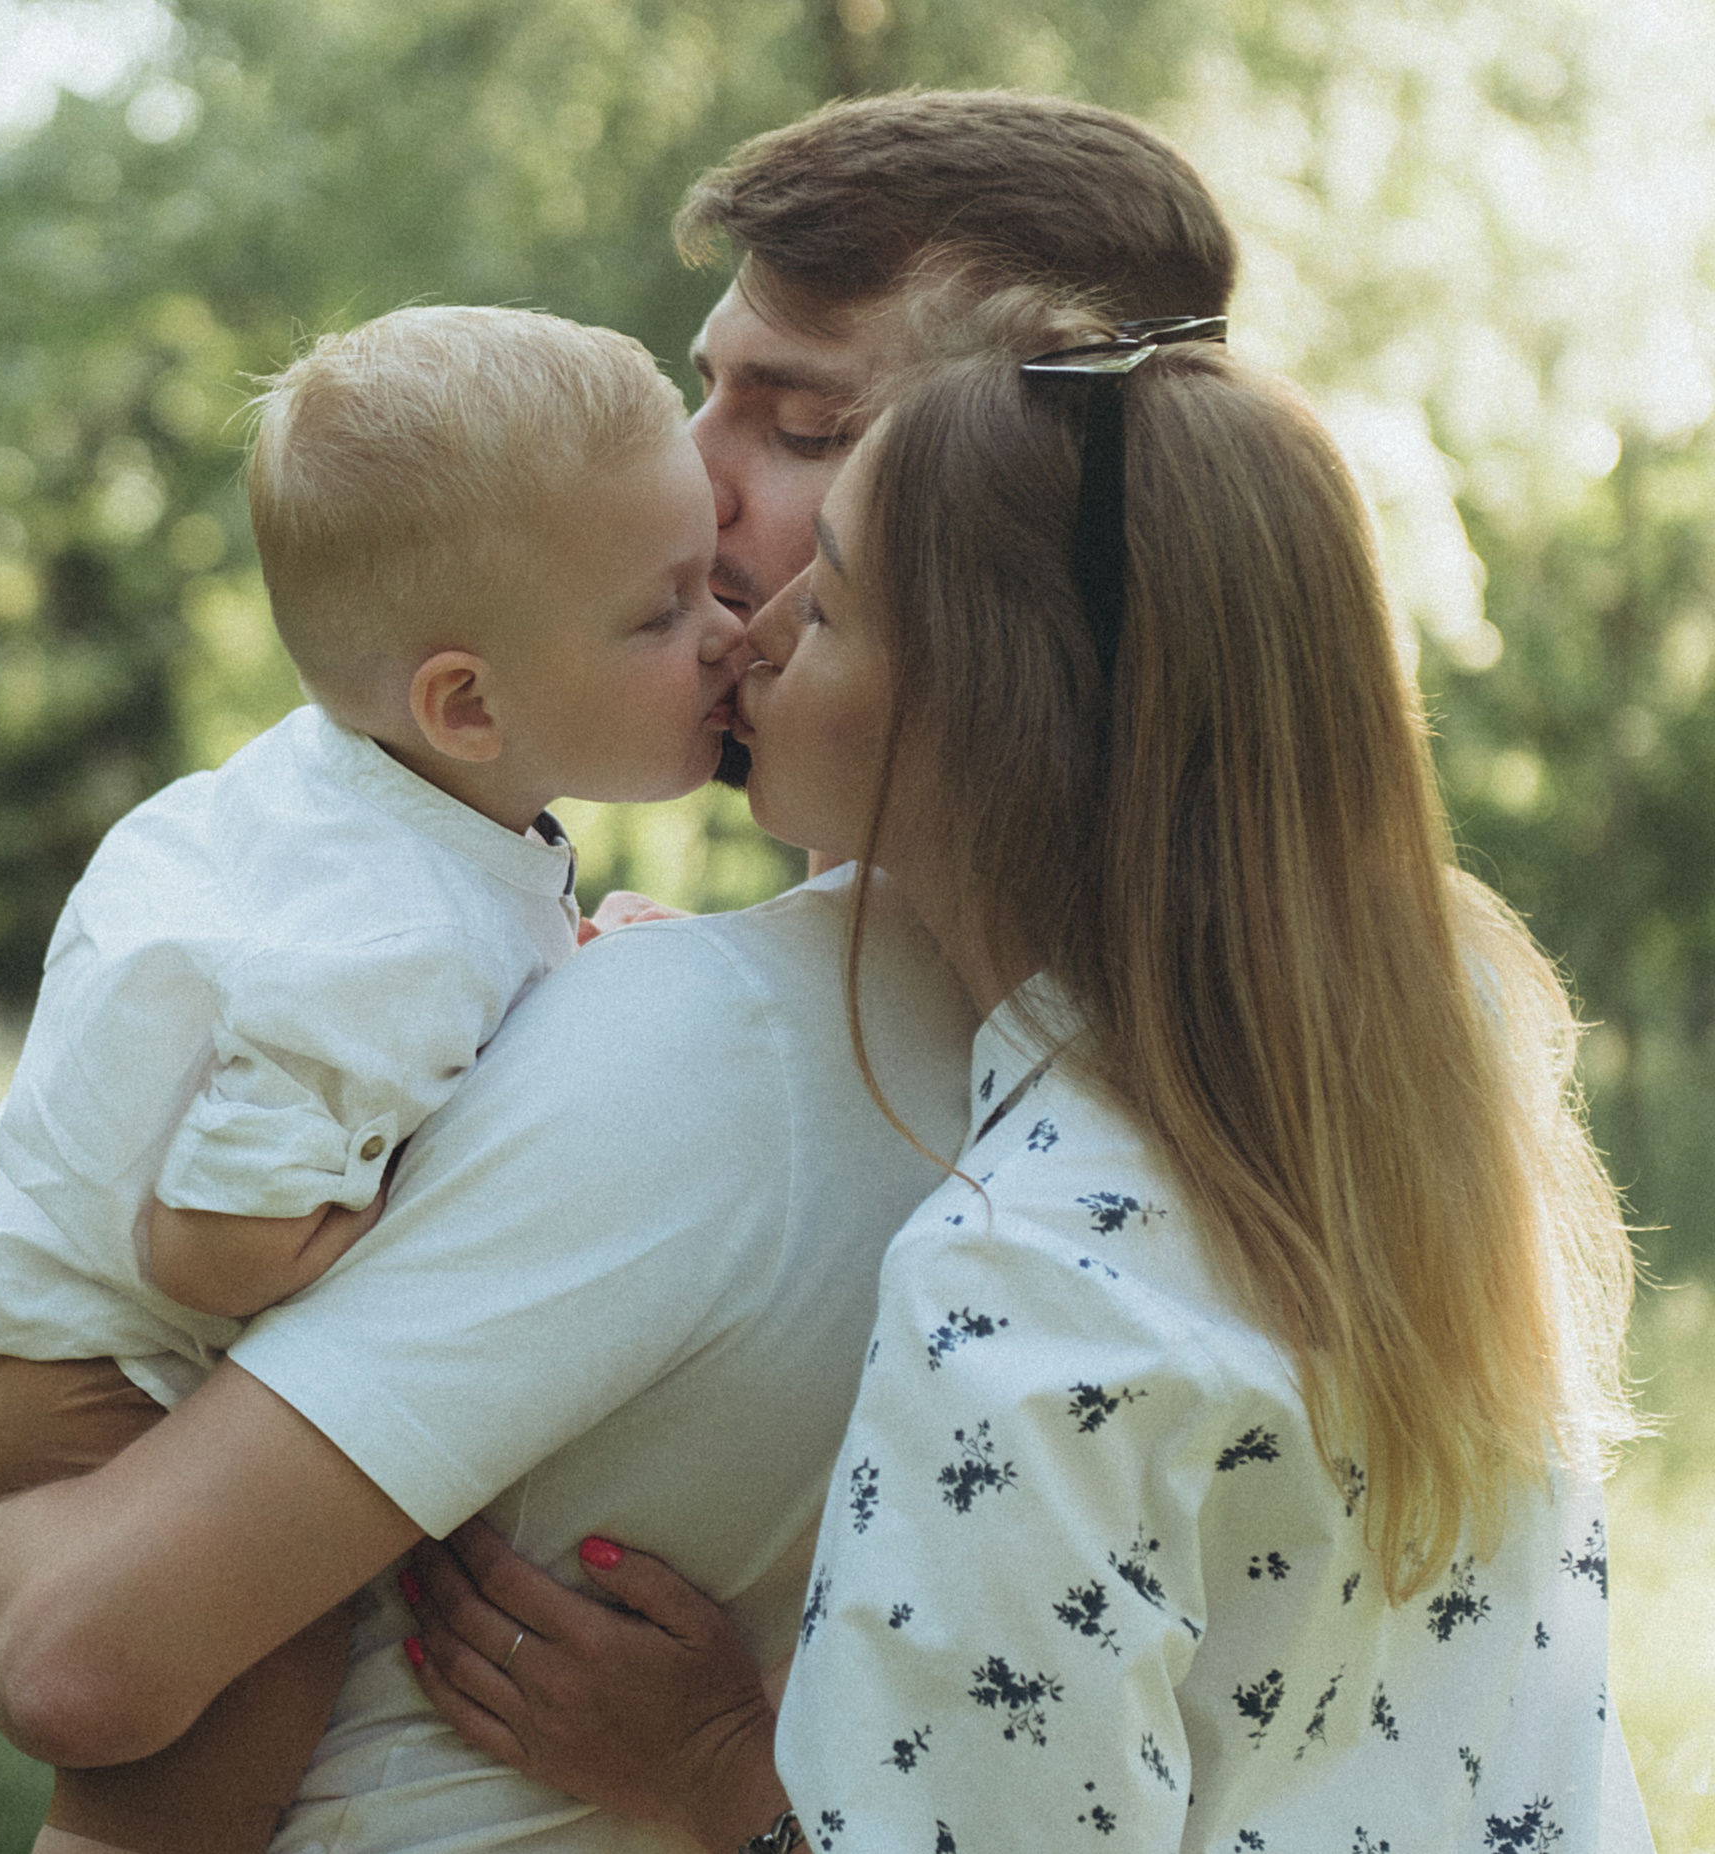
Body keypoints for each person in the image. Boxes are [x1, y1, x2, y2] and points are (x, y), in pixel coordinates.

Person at [0, 92, 1242, 1854]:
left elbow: (78, 1646)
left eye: (794, 423)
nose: (692, 478)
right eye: (703, 387)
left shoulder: (725, 1049)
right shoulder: (1270, 1027)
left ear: (1014, 497)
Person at [404, 286, 1651, 1847]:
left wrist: (729, 1772)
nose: (760, 629)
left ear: (995, 718)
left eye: (834, 601)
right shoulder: (1436, 1081)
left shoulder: (1023, 1286)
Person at [0, 302, 748, 1854]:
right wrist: (462, 1175)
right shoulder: (387, 938)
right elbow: (209, 1241)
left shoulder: (358, 808)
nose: (727, 631)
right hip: (100, 1376)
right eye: (665, 608)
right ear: (467, 703)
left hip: (33, 1340)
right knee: (240, 1677)